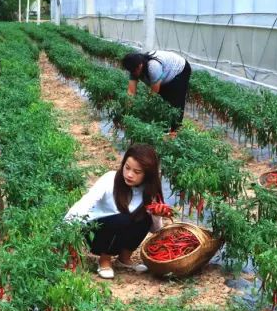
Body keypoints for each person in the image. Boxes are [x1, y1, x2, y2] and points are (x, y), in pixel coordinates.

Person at [64, 144, 166, 280]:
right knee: (122, 218)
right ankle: (104, 261)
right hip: (93, 233)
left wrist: (157, 215)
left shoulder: (148, 191)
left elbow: (154, 229)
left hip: (116, 232)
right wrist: (64, 229)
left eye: (137, 172)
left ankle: (124, 259)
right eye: (127, 167)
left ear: (147, 175)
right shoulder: (109, 180)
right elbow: (85, 203)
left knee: (144, 218)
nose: (129, 174)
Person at [121, 50, 191, 133]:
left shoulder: (153, 66)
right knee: (162, 101)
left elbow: (154, 92)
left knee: (175, 102)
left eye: (134, 71)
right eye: (131, 71)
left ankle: (175, 131)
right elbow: (131, 92)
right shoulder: (134, 69)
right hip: (164, 74)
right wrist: (128, 112)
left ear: (140, 65)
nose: (133, 73)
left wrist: (146, 108)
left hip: (179, 70)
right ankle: (162, 129)